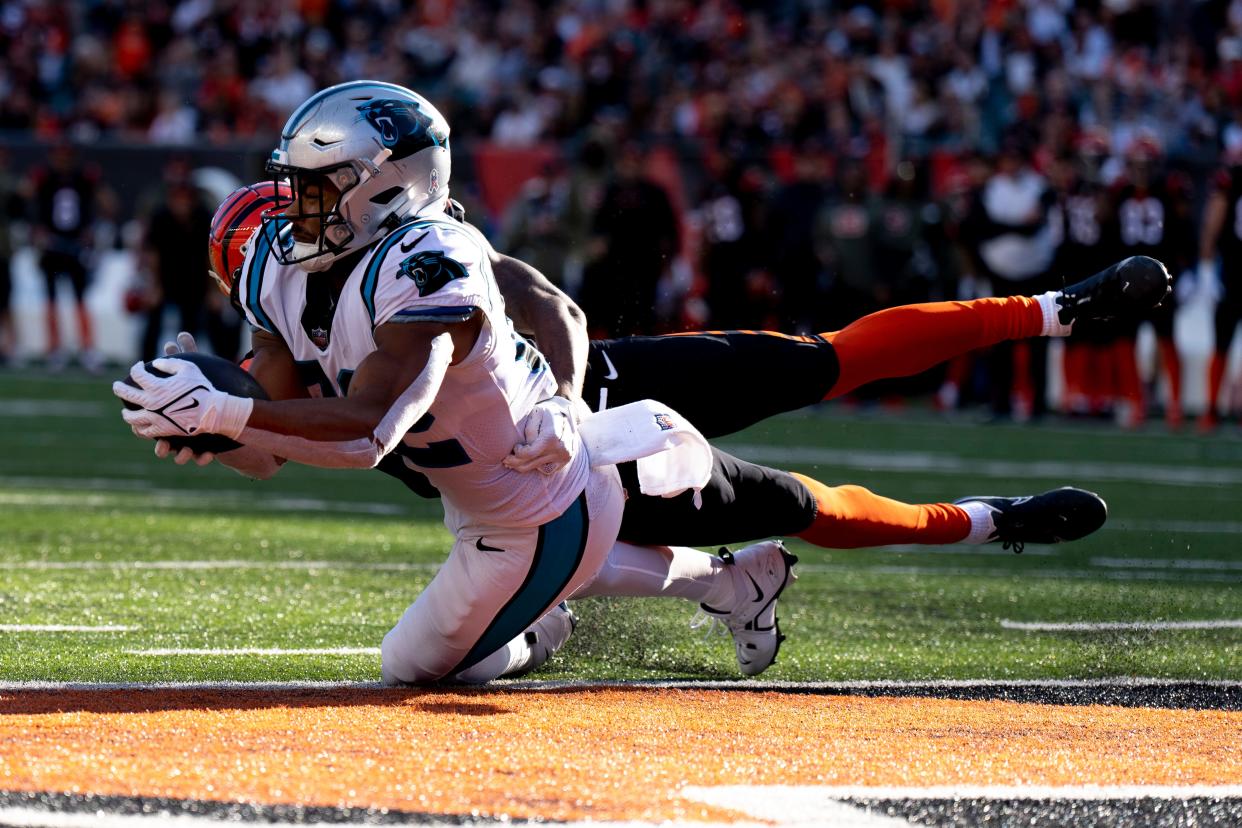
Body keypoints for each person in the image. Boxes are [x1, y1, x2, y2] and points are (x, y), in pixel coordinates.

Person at [115, 81, 796, 686]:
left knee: (415, 667)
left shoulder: (425, 261)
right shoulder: (284, 273)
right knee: (513, 587)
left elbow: (369, 434)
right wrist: (208, 425)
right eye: (291, 187)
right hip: (488, 496)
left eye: (314, 188)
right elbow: (269, 451)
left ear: (383, 186)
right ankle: (732, 582)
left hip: (544, 501)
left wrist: (229, 412)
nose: (293, 211)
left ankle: (544, 628)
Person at [30, 142, 104, 371]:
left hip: (74, 246)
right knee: (51, 299)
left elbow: (102, 203)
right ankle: (55, 349)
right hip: (52, 245)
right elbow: (31, 205)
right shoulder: (44, 178)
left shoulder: (83, 178)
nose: (62, 160)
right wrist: (39, 231)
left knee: (80, 299)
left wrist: (89, 232)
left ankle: (87, 349)